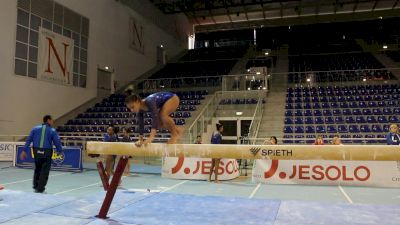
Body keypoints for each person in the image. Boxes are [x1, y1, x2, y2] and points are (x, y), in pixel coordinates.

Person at [21, 115, 62, 193]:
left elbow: (29, 139)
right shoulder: (52, 130)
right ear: (48, 120)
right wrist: (59, 150)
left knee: (37, 168)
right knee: (45, 170)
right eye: (52, 120)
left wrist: (24, 150)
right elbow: (57, 141)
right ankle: (40, 188)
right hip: (46, 151)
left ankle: (35, 185)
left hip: (36, 151)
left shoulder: (35, 128)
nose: (53, 121)